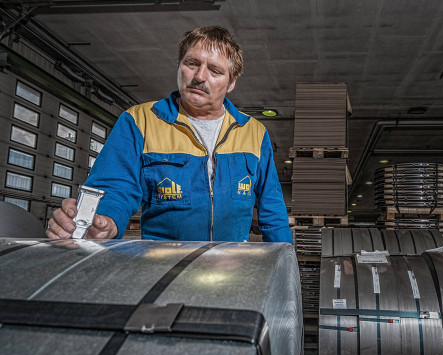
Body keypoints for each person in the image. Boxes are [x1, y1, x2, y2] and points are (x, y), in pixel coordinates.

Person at [47, 26, 291, 243]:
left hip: (232, 268)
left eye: (215, 70)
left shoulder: (253, 132)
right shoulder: (140, 120)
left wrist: (286, 267)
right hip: (163, 269)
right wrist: (104, 222)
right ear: (180, 65)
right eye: (192, 63)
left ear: (231, 83)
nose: (199, 76)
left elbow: (273, 209)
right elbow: (114, 186)